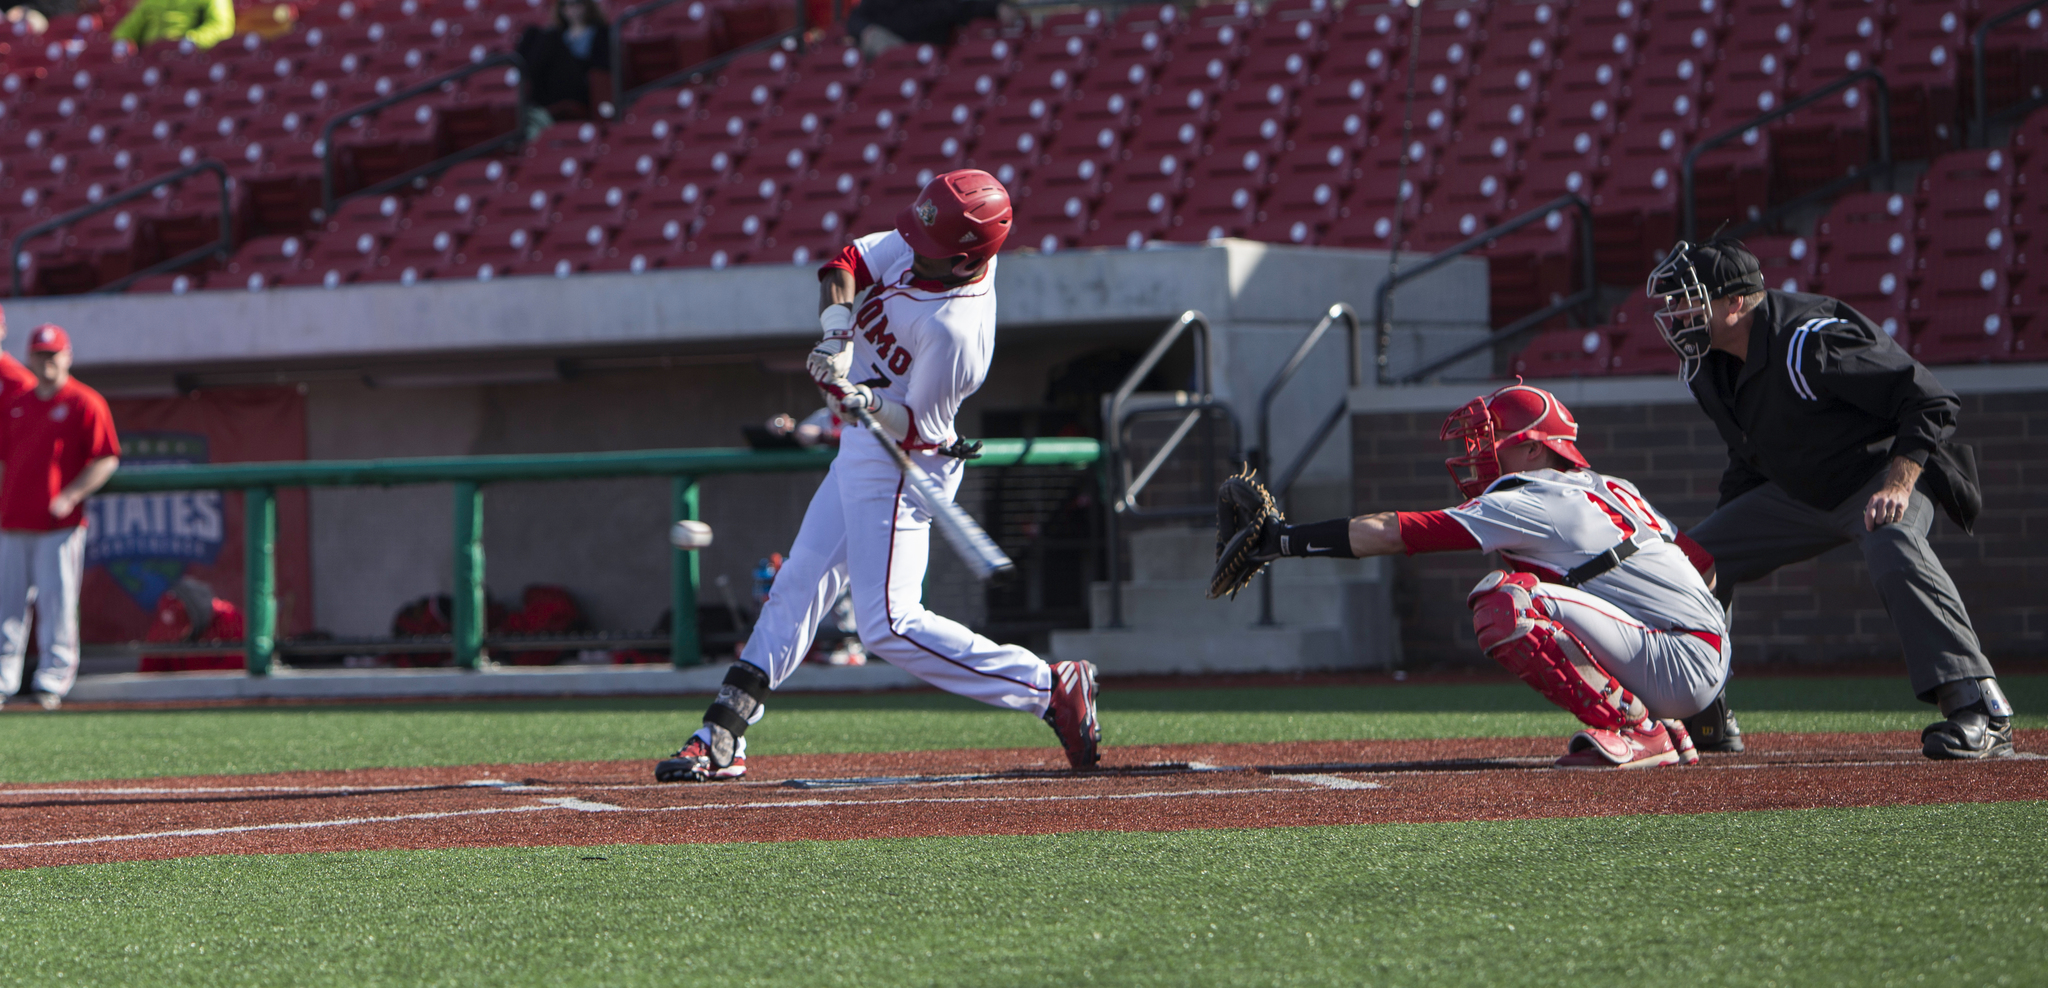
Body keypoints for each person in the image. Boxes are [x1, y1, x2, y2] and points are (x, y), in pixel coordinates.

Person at [654, 169, 1100, 782]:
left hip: (907, 461)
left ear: (969, 257)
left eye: (931, 251)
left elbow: (916, 426)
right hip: (865, 444)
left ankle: (1046, 686)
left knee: (888, 625)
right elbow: (846, 264)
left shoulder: (958, 333)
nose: (914, 253)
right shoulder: (922, 238)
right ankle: (722, 733)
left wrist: (864, 400)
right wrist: (837, 335)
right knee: (798, 585)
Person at [1210, 384, 1728, 769]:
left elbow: (1393, 533)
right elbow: (1703, 566)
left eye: (1493, 437)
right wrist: (1706, 693)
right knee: (1534, 591)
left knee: (1506, 602)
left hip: (1677, 660)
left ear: (1535, 450)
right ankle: (1665, 718)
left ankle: (1637, 729)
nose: (1478, 451)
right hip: (1700, 655)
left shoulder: (1534, 495)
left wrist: (1281, 540)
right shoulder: (1616, 487)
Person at [1647, 239, 2014, 760]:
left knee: (1891, 539)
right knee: (1690, 561)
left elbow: (1930, 400)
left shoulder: (1811, 339)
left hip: (1879, 474)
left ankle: (1979, 706)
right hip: (1799, 492)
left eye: (1688, 299)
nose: (1675, 312)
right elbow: (1747, 455)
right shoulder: (1708, 364)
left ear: (1734, 303)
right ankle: (1702, 711)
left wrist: (1898, 484)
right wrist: (1721, 539)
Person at [0, 324, 120, 711]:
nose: (46, 361)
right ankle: (3, 681)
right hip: (12, 519)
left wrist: (71, 495)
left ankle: (52, 681)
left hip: (59, 524)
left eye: (52, 354)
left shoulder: (86, 401)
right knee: (6, 607)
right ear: (30, 357)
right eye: (39, 354)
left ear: (67, 355)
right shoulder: (18, 401)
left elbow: (106, 457)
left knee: (57, 604)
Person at [515, 0, 612, 139]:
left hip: (579, 84)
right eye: (566, 5)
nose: (571, 9)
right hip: (552, 84)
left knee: (551, 37)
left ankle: (522, 89)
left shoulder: (600, 31)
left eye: (576, 4)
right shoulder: (561, 32)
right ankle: (518, 84)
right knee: (531, 32)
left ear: (586, 6)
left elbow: (601, 65)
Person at [110, 0, 235, 49]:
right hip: (151, 57)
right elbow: (126, 30)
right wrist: (124, 44)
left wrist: (191, 40)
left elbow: (221, 26)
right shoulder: (150, 2)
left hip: (192, 59)